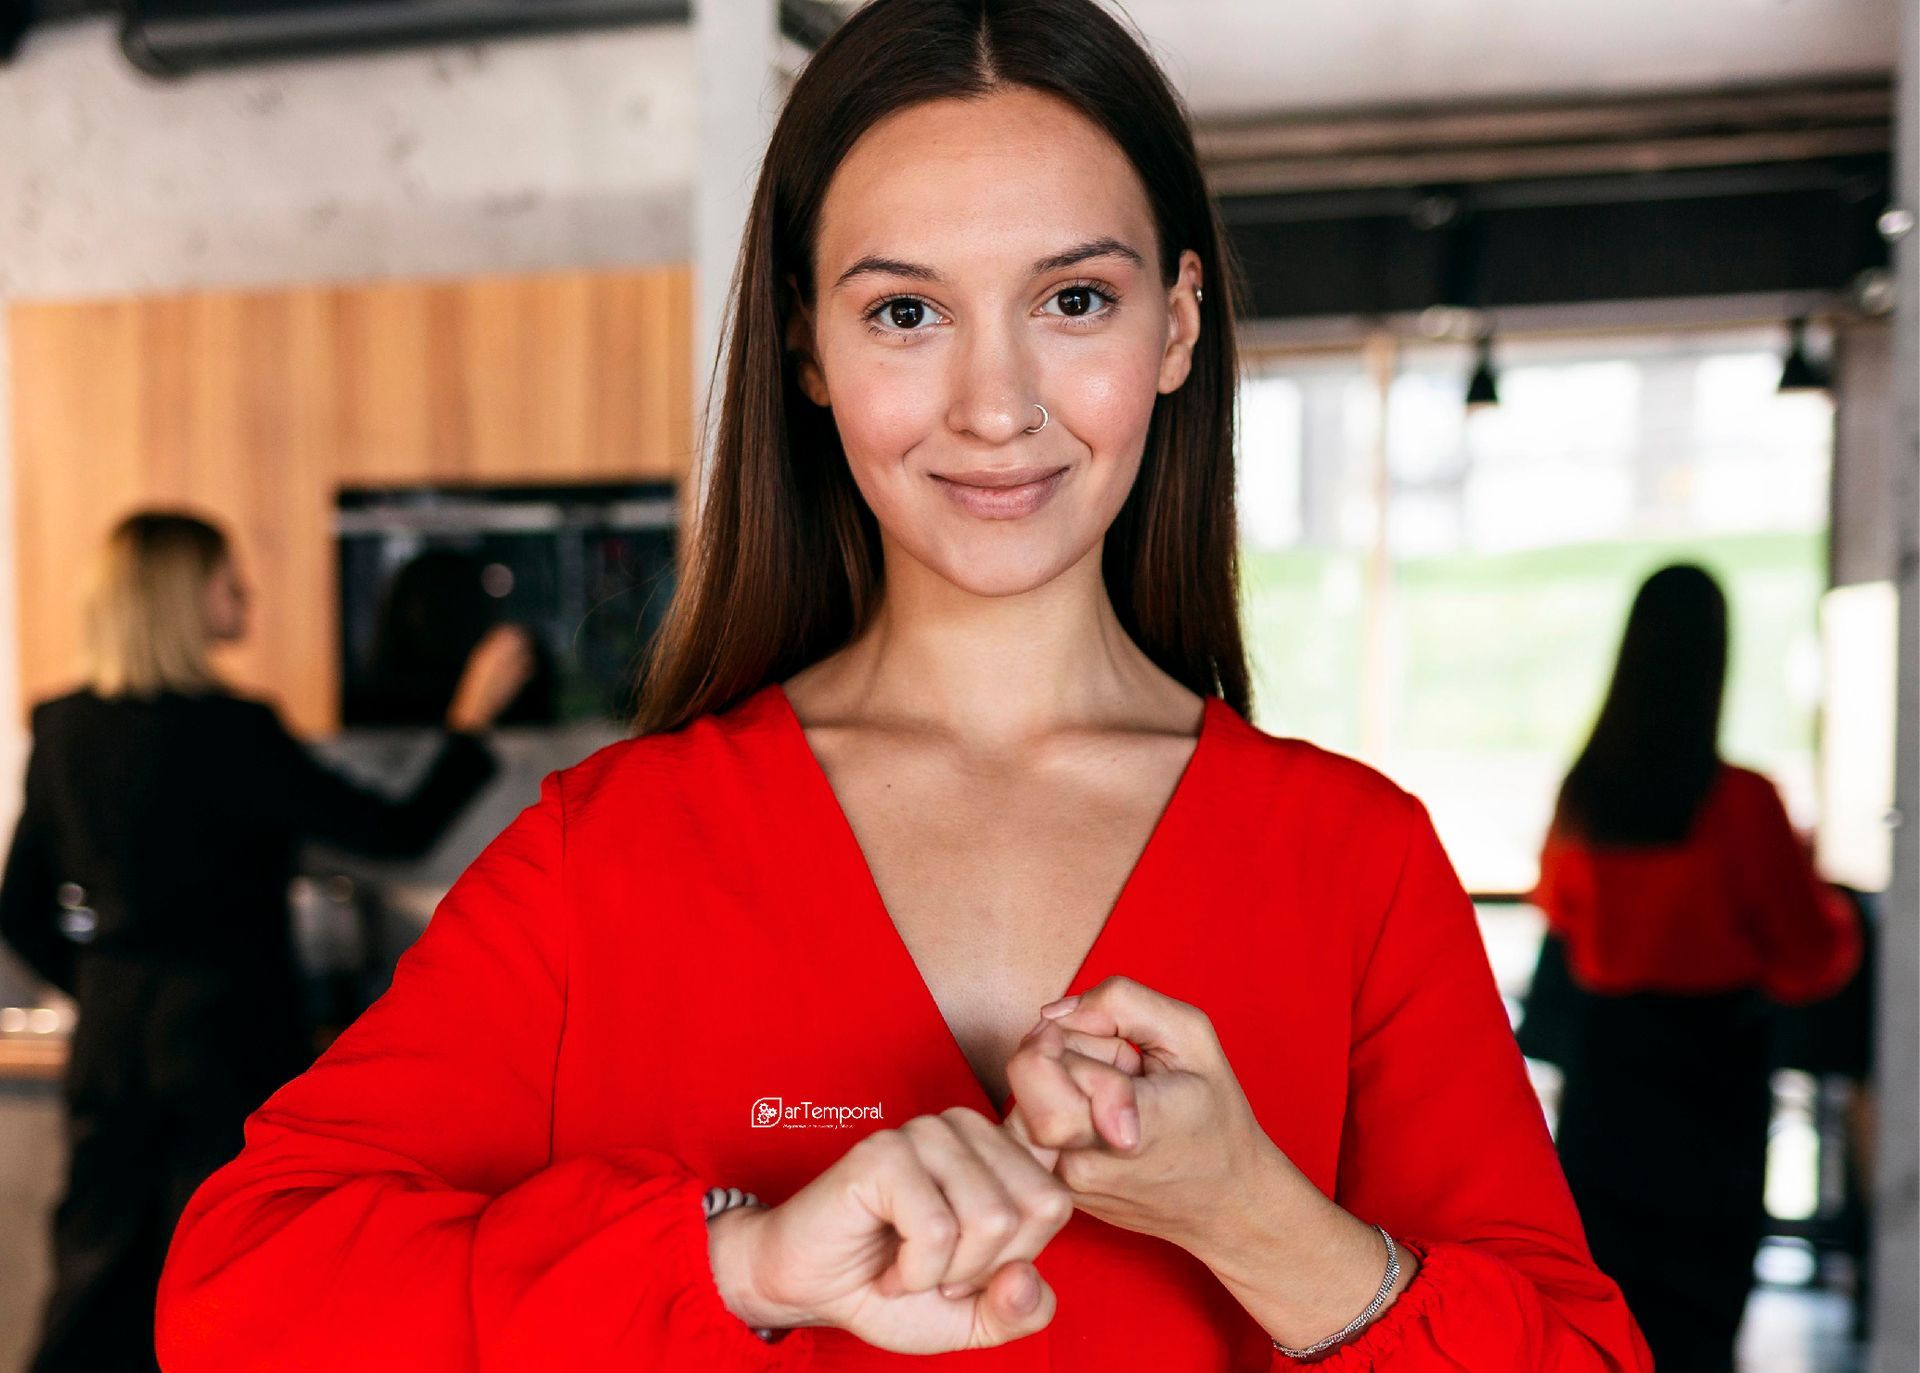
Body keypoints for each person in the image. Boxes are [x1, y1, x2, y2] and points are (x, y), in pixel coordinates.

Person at [153, 2, 1654, 1368]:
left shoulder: (1355, 864)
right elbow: (236, 1295)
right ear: (807, 348)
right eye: (904, 312)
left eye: (1074, 302)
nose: (995, 407)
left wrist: (1255, 1216)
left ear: (1178, 325)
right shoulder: (607, 854)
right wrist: (742, 1260)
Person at [0, 509, 533, 1373]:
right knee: (226, 1276)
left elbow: (18, 908)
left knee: (95, 1274)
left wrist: (108, 988)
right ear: (179, 597)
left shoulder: (64, 727)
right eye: (224, 575)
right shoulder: (232, 732)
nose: (242, 590)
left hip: (112, 1039)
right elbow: (397, 831)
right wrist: (468, 722)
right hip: (224, 1033)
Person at [1529, 563, 1862, 1373]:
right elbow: (1806, 956)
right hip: (1712, 1079)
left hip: (1609, 1081)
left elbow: (1559, 913)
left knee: (1604, 1315)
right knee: (1699, 1324)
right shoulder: (1743, 802)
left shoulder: (1587, 795)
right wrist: (1843, 917)